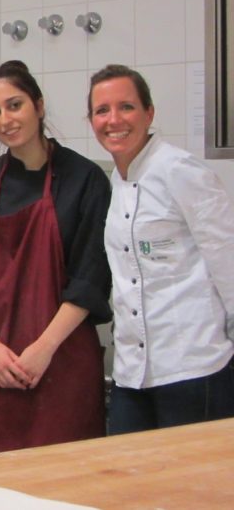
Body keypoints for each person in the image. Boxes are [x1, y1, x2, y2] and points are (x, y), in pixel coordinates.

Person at [0, 60, 111, 456]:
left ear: (38, 105)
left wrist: (43, 349)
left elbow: (90, 278)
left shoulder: (85, 179)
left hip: (62, 363)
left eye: (14, 105)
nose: (5, 119)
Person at [88, 64, 234, 434]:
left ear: (149, 113)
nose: (113, 119)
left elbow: (227, 261)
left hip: (193, 368)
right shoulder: (117, 181)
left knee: (191, 489)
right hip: (131, 373)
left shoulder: (180, 170)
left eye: (127, 107)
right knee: (131, 482)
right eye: (102, 110)